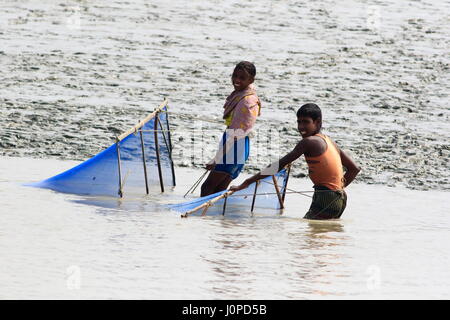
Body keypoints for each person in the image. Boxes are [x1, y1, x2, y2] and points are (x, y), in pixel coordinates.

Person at [230, 103, 361, 220]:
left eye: (306, 122)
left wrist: (246, 183)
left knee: (310, 239)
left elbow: (278, 165)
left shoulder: (309, 142)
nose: (301, 127)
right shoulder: (328, 140)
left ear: (317, 122)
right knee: (320, 238)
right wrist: (337, 190)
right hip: (340, 198)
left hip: (326, 198)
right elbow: (354, 169)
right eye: (299, 122)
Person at [201, 61, 261, 196]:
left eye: (242, 78)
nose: (236, 80)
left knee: (207, 188)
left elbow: (236, 133)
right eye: (235, 76)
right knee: (218, 191)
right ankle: (214, 218)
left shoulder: (246, 101)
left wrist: (216, 159)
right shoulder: (246, 94)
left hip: (234, 146)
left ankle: (202, 217)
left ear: (251, 80)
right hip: (238, 146)